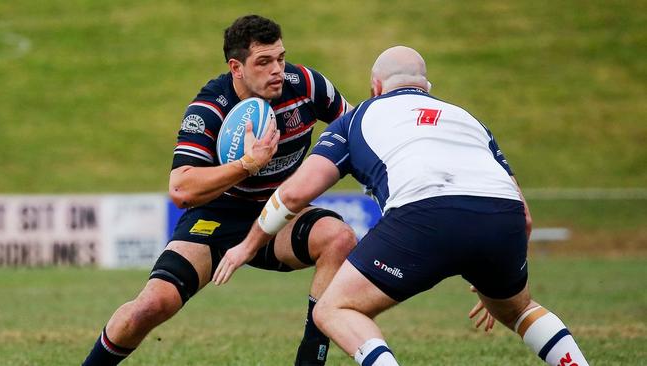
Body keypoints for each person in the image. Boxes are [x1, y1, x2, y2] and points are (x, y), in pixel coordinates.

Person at [213, 46, 590, 366]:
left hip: (423, 217)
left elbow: (295, 194)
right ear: (427, 87)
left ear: (375, 88)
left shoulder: (358, 116)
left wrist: (248, 245)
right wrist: (492, 273)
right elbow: (523, 215)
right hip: (501, 216)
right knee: (519, 309)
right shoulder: (469, 120)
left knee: (333, 309)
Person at [82, 15, 356, 366]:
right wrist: (246, 165)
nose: (277, 70)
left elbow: (355, 130)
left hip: (277, 214)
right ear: (236, 67)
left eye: (280, 58)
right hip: (216, 217)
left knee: (339, 238)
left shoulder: (305, 85)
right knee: (148, 308)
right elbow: (181, 188)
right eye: (263, 62)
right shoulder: (210, 108)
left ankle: (309, 361)